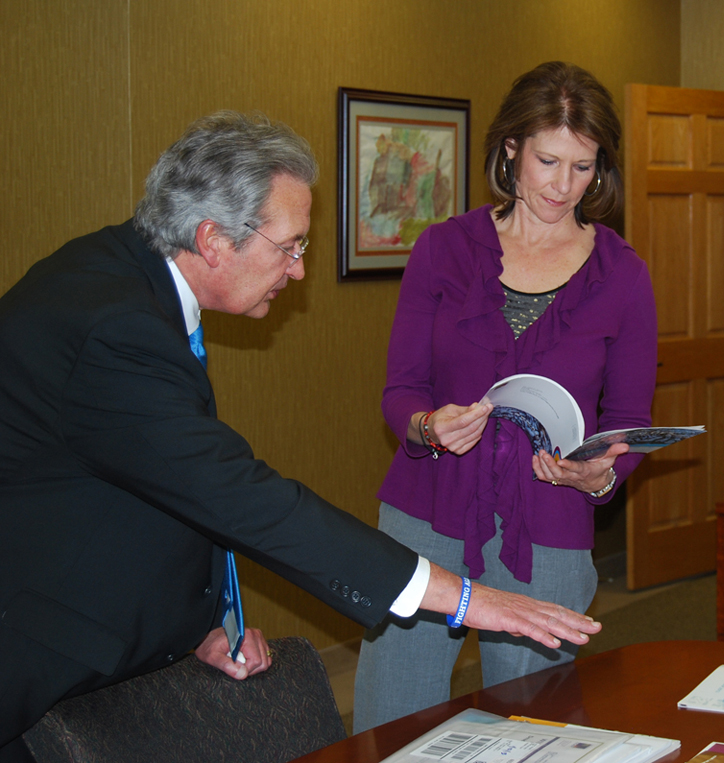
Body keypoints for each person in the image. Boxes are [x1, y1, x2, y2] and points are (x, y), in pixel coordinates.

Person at [0, 111, 602, 762]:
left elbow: (157, 475)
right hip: (33, 654)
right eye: (288, 247)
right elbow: (236, 495)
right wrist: (462, 598)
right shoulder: (114, 328)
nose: (297, 270)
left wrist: (198, 625)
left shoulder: (124, 273)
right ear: (213, 239)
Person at [353, 62, 658, 732]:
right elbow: (401, 389)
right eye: (548, 161)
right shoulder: (443, 249)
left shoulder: (623, 275)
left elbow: (629, 419)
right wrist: (428, 425)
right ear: (512, 148)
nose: (563, 185)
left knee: (532, 722)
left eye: (583, 167)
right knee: (394, 711)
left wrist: (601, 472)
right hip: (426, 509)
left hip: (548, 521)